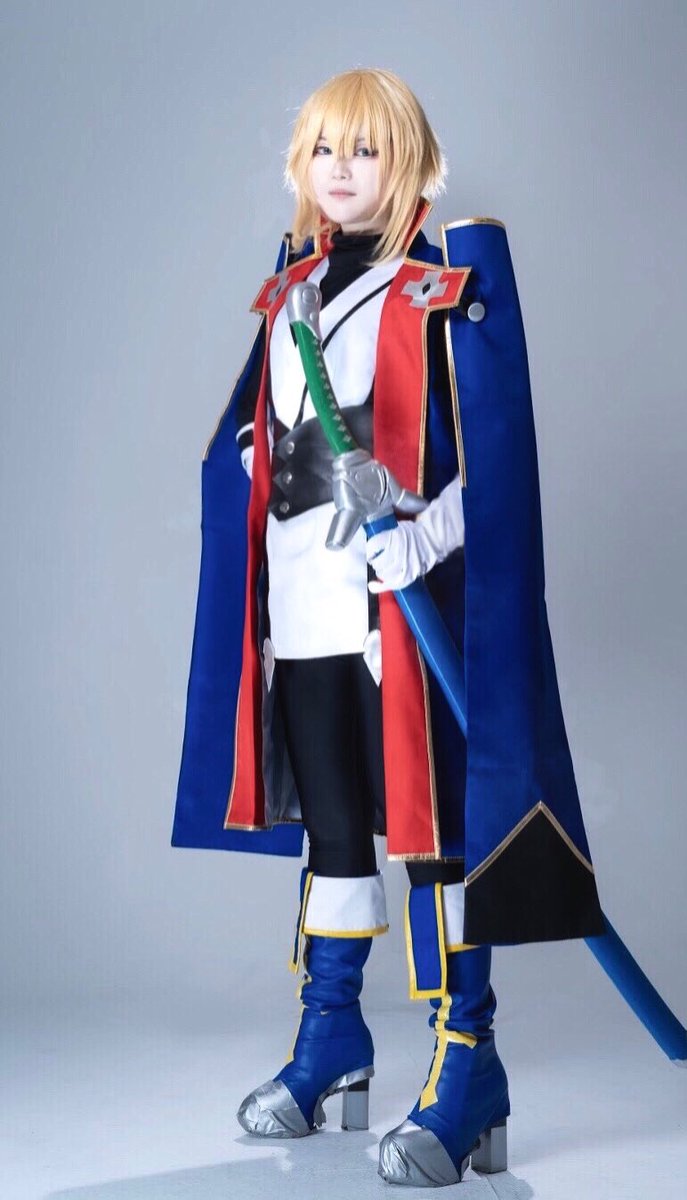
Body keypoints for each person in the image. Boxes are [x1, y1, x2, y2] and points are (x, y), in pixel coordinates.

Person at [174, 67, 606, 1188]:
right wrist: (254, 463)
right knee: (334, 835)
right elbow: (274, 434)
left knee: (435, 839)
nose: (341, 169)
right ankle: (332, 1037)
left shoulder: (445, 288)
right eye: (325, 148)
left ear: (407, 158)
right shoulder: (289, 292)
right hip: (302, 612)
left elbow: (500, 466)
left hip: (399, 624)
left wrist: (422, 537)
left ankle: (469, 1065)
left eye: (364, 149)